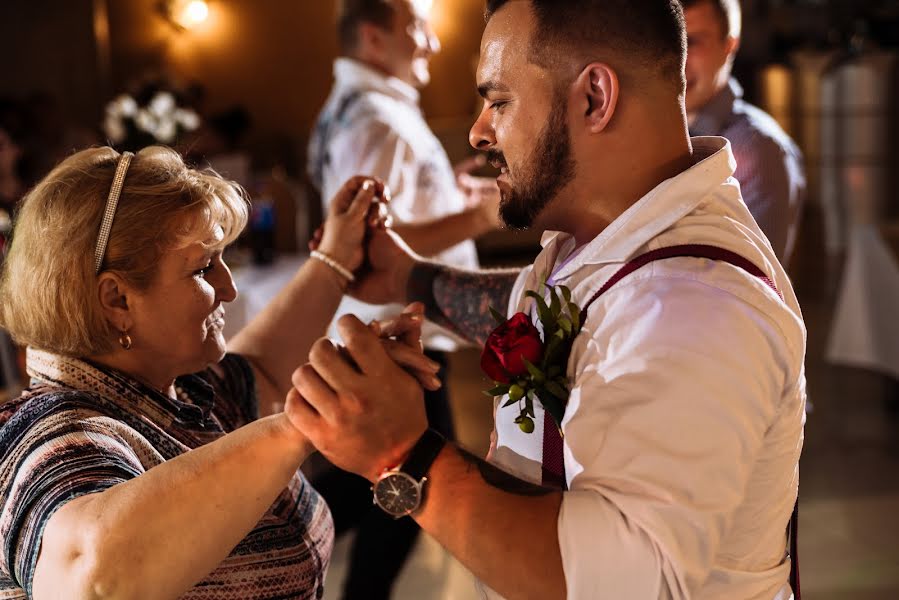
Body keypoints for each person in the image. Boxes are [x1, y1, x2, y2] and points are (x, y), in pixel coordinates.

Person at [289, 1, 806, 599]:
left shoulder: (691, 305)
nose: (481, 131)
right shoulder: (610, 238)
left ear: (594, 97)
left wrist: (403, 452)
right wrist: (410, 279)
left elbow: (617, 586)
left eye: (499, 100)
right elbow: (557, 313)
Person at [0, 146, 438, 598]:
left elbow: (264, 369)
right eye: (204, 267)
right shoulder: (53, 441)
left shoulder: (180, 390)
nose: (229, 288)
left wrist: (338, 258)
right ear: (117, 300)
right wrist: (312, 418)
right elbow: (89, 576)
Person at [306, 1, 501, 597]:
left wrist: (451, 197)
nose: (432, 45)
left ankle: (271, 548)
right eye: (417, 30)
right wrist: (477, 216)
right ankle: (265, 549)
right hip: (395, 335)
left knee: (380, 489)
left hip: (389, 332)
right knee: (406, 492)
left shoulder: (362, 108)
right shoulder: (378, 121)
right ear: (372, 38)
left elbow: (395, 214)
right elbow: (368, 246)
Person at [683, 0, 805, 266]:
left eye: (692, 41)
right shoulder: (660, 137)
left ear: (729, 45)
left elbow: (754, 275)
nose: (679, 58)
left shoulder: (760, 148)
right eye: (673, 42)